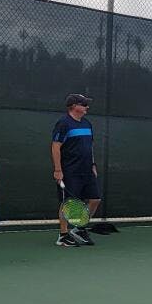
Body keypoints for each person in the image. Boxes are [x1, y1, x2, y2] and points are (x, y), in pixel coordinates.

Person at [51, 93, 100, 247]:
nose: (87, 107)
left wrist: (92, 164)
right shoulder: (63, 123)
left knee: (95, 199)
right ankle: (63, 235)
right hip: (69, 170)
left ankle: (79, 228)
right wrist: (58, 170)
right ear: (74, 106)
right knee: (68, 202)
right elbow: (55, 146)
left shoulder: (87, 123)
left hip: (87, 170)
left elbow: (90, 146)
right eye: (84, 104)